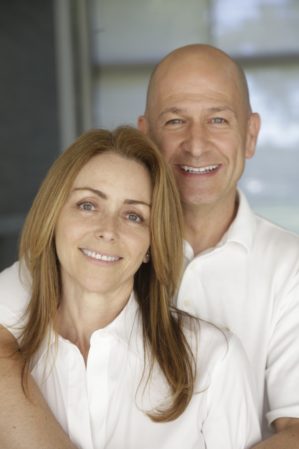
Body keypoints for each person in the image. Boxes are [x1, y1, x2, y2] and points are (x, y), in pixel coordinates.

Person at [0, 126, 260, 449]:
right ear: (54, 218)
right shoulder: (13, 354)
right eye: (88, 205)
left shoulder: (214, 361)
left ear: (152, 243)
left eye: (134, 216)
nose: (108, 230)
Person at [137, 44, 299, 447]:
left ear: (250, 135)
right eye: (175, 121)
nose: (196, 144)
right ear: (145, 138)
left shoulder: (291, 267)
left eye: (218, 120)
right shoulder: (102, 248)